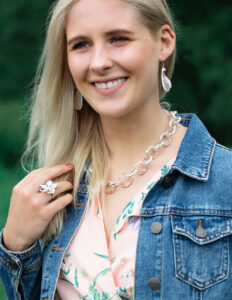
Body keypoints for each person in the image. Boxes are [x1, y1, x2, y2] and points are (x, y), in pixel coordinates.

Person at [0, 0, 232, 299]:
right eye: (81, 44)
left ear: (164, 42)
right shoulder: (54, 191)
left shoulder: (224, 183)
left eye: (118, 39)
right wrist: (16, 246)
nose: (98, 62)